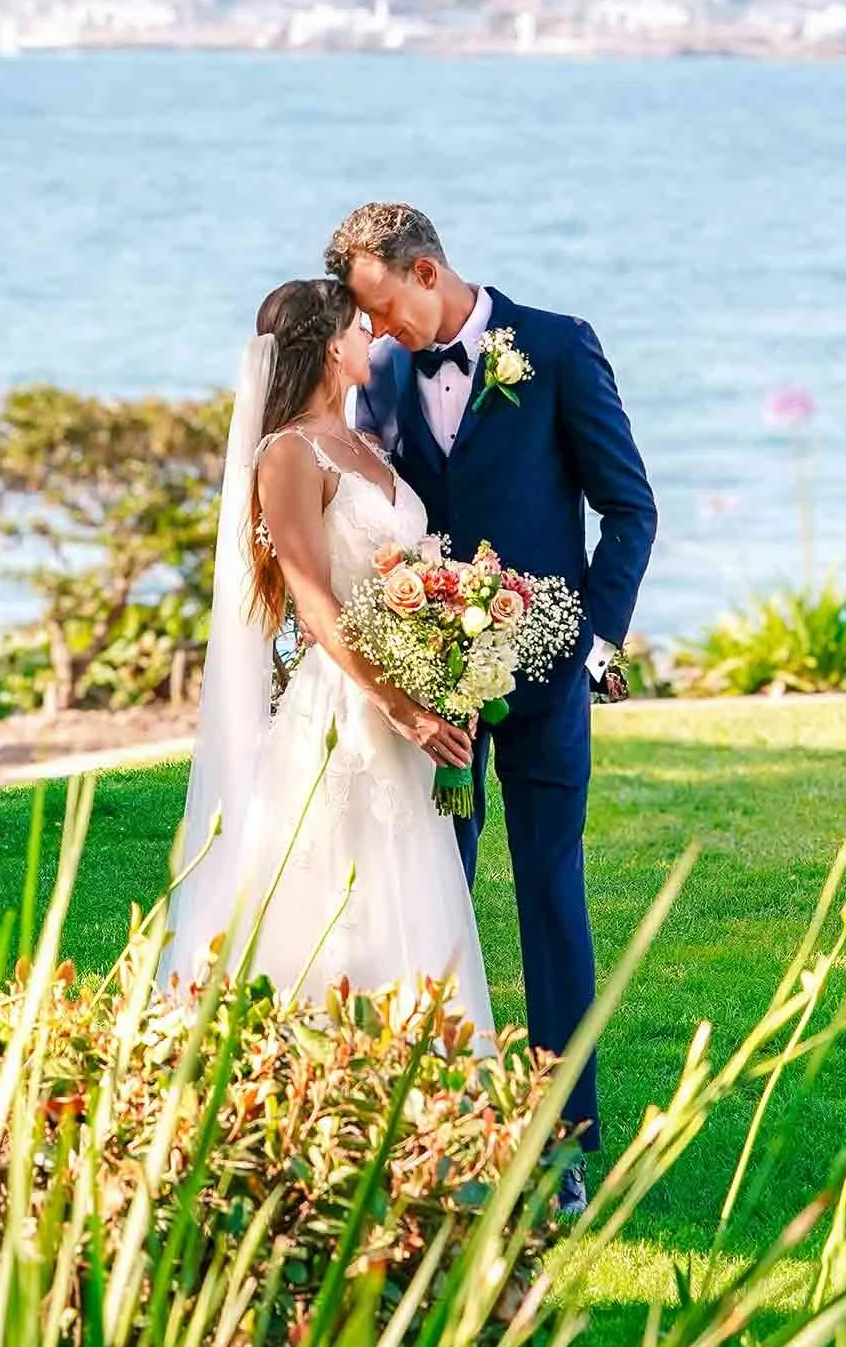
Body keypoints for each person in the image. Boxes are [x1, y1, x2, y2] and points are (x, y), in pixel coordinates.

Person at [326, 201, 656, 1185]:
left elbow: (627, 504)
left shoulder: (554, 347)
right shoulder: (381, 373)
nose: (380, 331)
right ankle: (442, 1129)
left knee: (551, 893)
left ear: (427, 270)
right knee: (436, 897)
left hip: (551, 673)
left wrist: (594, 641)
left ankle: (567, 1137)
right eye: (365, 317)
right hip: (439, 695)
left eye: (386, 306)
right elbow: (379, 516)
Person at [163, 275, 493, 1044]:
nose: (372, 337)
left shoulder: (363, 443)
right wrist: (403, 708)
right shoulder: (287, 453)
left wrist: (451, 656)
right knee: (337, 899)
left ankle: (423, 1094)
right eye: (357, 327)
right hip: (345, 709)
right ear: (327, 347)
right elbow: (313, 600)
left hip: (406, 705)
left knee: (410, 898)